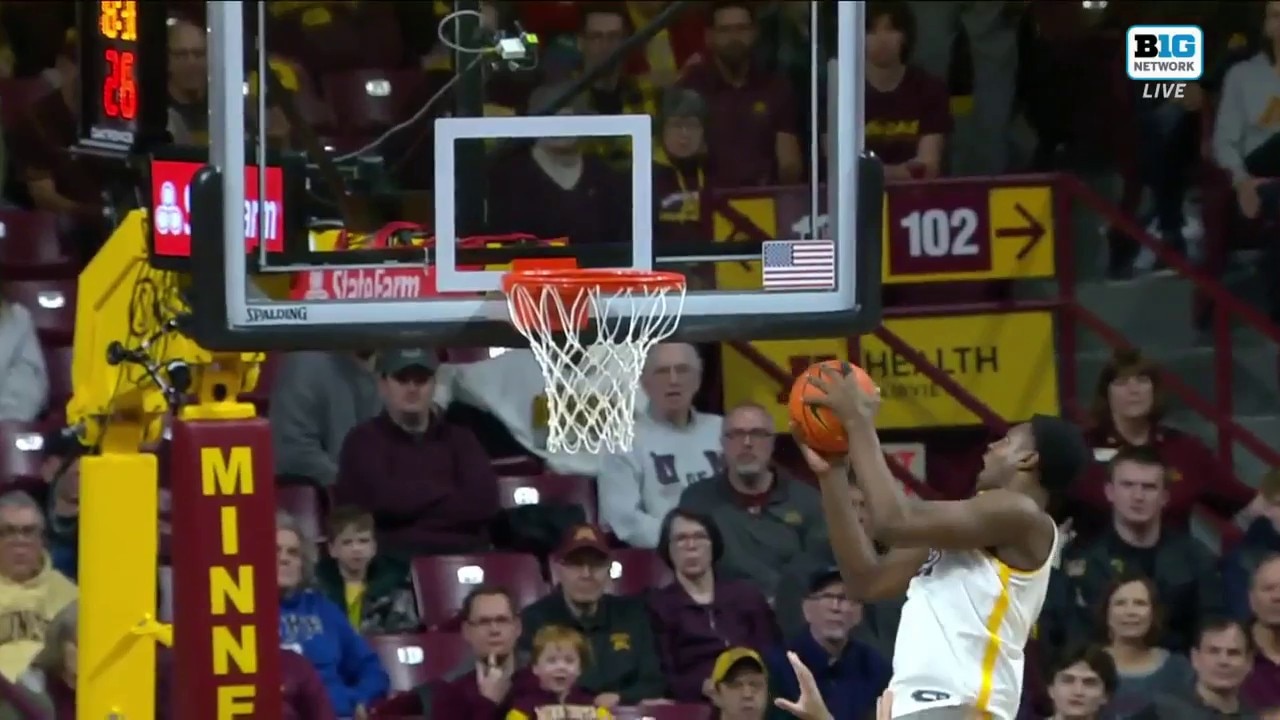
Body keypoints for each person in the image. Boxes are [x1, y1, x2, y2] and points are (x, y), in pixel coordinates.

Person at [797, 368, 1089, 720]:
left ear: (1028, 460)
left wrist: (859, 422)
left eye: (1008, 441)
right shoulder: (968, 529)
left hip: (963, 706)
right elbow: (865, 582)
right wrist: (833, 476)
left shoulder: (1021, 514)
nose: (992, 446)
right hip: (915, 706)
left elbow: (894, 522)